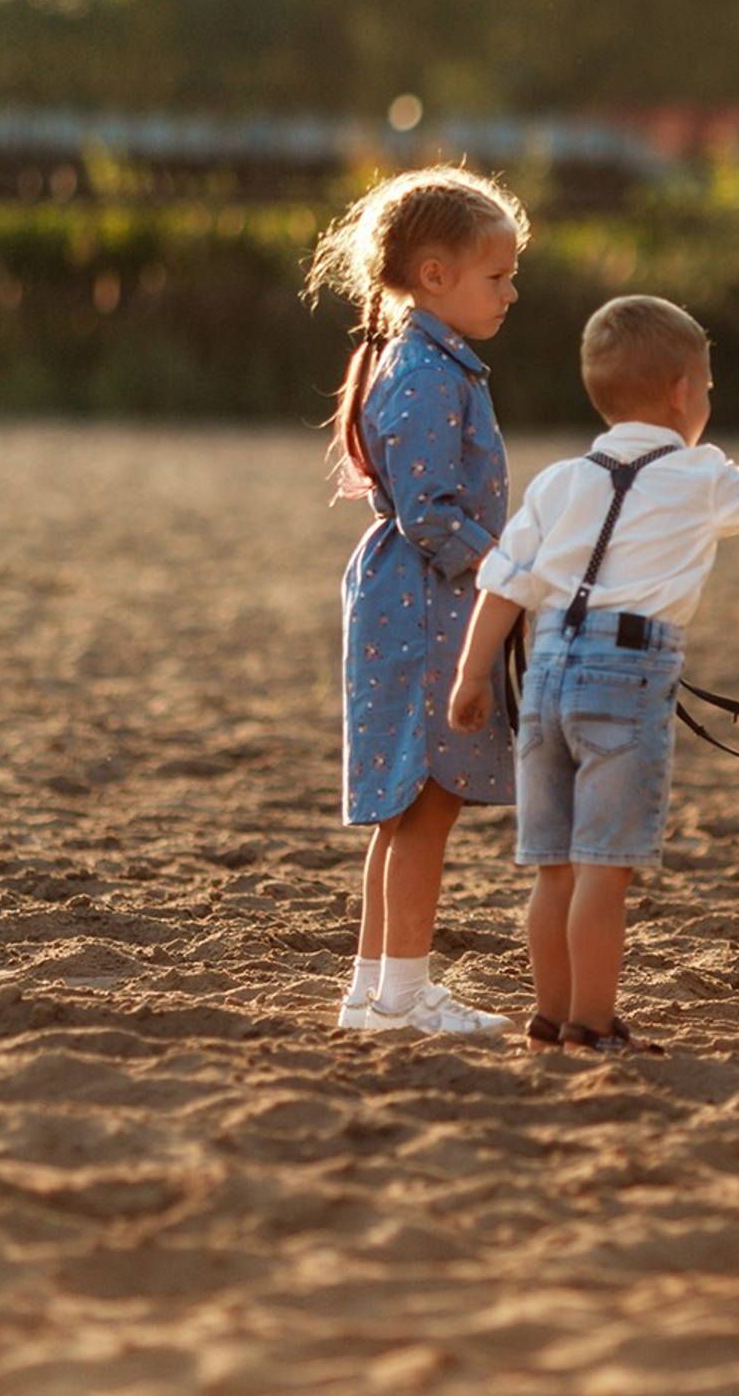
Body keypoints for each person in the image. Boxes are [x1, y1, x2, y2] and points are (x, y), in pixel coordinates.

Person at [447, 295, 739, 1053]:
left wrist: (472, 677)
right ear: (681, 392)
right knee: (606, 868)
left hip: (543, 676)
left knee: (554, 869)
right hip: (626, 676)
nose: (706, 398)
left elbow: (503, 586)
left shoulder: (558, 481)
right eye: (706, 386)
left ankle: (550, 1017)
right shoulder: (701, 474)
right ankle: (592, 1026)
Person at [304, 164, 529, 1034]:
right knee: (427, 804)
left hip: (414, 594)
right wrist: (508, 571)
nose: (511, 292)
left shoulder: (428, 362)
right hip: (426, 603)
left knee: (406, 812)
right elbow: (430, 513)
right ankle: (401, 996)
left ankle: (373, 993)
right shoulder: (429, 374)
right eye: (497, 276)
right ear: (435, 276)